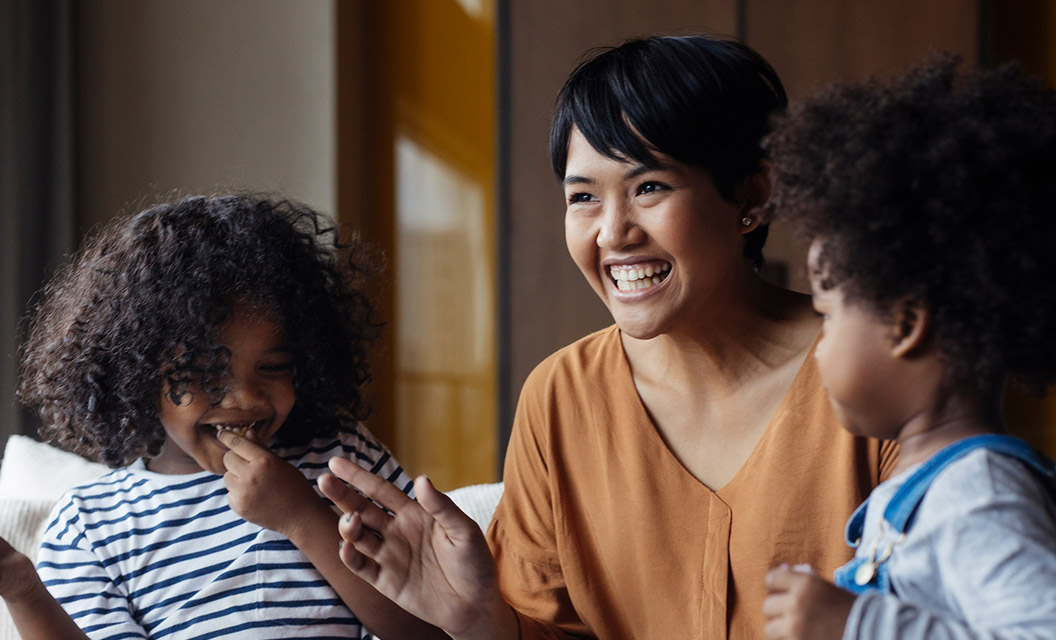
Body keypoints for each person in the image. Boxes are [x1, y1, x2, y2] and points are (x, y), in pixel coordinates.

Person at [315, 35, 897, 639]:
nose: (612, 233)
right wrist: (482, 619)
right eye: (584, 198)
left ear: (751, 195)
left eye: (650, 187)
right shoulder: (560, 398)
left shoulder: (882, 368)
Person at [0, 195, 441, 639]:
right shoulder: (91, 525)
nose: (247, 398)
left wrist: (301, 515)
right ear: (138, 372)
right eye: (205, 371)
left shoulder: (343, 461)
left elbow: (429, 630)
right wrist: (23, 591)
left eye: (274, 367)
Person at [760, 57, 1056, 639]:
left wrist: (859, 623)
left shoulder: (977, 492)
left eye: (827, 316)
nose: (818, 348)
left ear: (905, 323)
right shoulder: (922, 487)